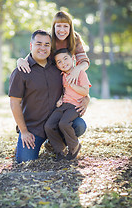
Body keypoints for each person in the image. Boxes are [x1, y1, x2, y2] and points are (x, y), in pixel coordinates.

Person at [8, 30, 87, 163]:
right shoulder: (21, 71)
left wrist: (86, 98)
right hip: (33, 128)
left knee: (79, 125)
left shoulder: (58, 67)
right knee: (24, 162)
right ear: (31, 46)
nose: (43, 48)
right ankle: (27, 143)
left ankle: (54, 144)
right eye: (39, 44)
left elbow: (76, 84)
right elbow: (14, 103)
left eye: (47, 44)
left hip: (56, 122)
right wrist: (24, 132)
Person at [16, 11, 90, 117]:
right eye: (58, 26)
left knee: (78, 125)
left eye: (65, 26)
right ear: (53, 27)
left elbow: (84, 61)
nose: (62, 30)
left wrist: (76, 70)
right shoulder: (49, 38)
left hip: (69, 79)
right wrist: (21, 60)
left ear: (70, 27)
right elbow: (36, 53)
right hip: (52, 78)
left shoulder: (74, 38)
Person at [45, 48, 91, 161]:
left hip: (75, 105)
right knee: (49, 126)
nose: (63, 63)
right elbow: (64, 91)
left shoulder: (80, 73)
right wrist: (60, 98)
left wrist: (73, 85)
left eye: (65, 59)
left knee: (64, 123)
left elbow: (85, 92)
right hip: (64, 104)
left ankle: (74, 146)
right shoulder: (62, 75)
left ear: (72, 59)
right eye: (59, 61)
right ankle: (60, 150)